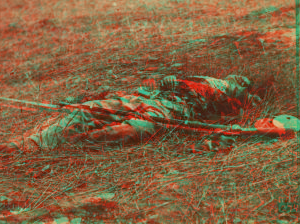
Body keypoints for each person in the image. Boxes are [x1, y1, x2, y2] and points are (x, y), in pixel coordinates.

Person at [0, 74, 261, 155]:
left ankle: (70, 145)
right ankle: (30, 145)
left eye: (242, 80)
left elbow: (249, 102)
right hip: (147, 98)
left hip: (171, 111)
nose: (236, 78)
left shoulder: (230, 90)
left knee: (133, 130)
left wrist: (241, 93)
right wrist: (165, 81)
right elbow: (155, 81)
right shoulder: (199, 77)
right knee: (90, 110)